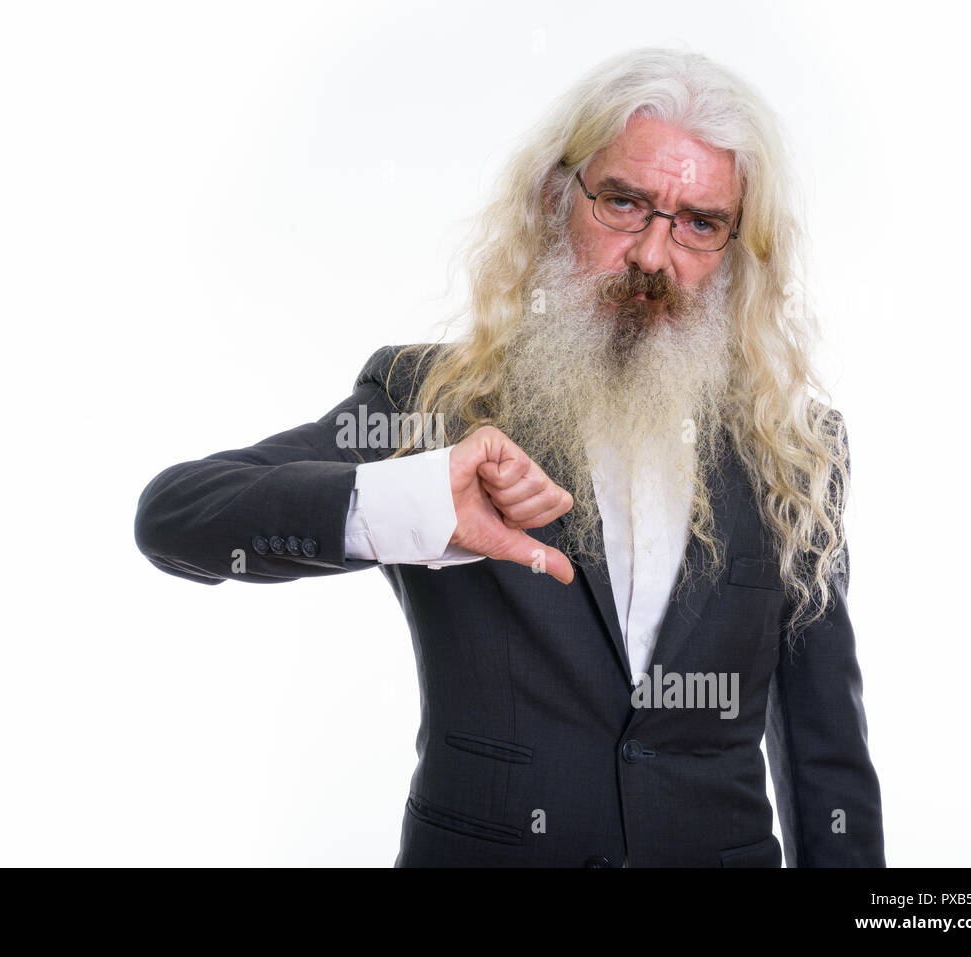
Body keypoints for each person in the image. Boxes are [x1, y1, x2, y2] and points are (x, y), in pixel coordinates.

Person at [134, 47, 884, 867]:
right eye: (625, 203)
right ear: (555, 200)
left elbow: (825, 758)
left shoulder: (796, 450)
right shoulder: (431, 401)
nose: (653, 256)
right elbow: (177, 516)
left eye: (700, 223)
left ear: (737, 249)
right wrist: (411, 501)